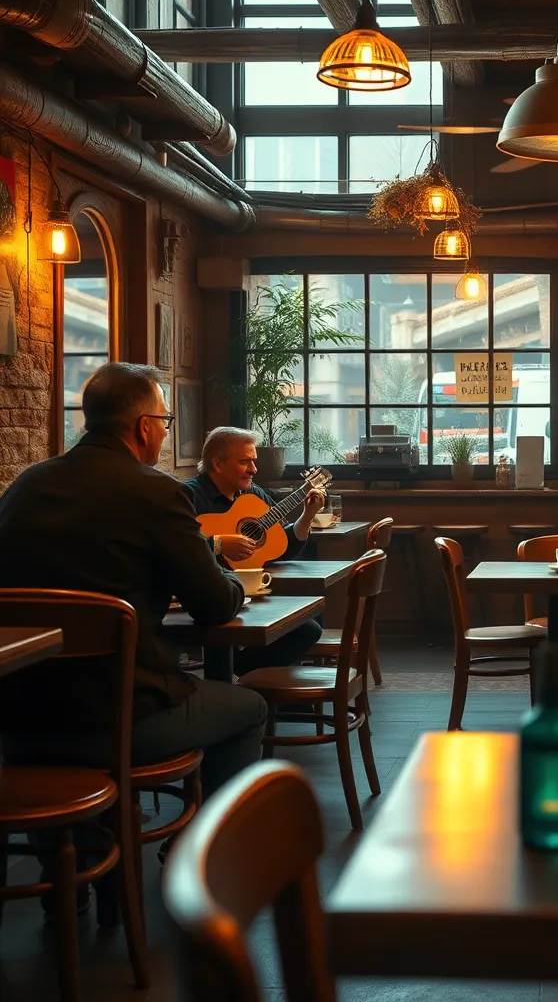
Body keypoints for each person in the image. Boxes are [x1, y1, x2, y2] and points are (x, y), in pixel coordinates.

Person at [0, 363, 268, 901]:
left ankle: (67, 880)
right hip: (122, 718)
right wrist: (233, 580)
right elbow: (215, 605)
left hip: (20, 721)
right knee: (248, 709)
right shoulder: (155, 492)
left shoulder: (23, 487)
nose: (166, 431)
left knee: (59, 715)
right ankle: (196, 851)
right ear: (144, 427)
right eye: (165, 422)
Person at [182, 426, 324, 674]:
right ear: (217, 464)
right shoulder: (188, 496)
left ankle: (238, 676)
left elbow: (282, 547)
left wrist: (308, 515)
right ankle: (231, 683)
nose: (254, 469)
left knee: (308, 628)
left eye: (253, 461)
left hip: (251, 596)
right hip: (204, 598)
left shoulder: (253, 494)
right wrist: (218, 544)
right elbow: (177, 548)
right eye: (245, 462)